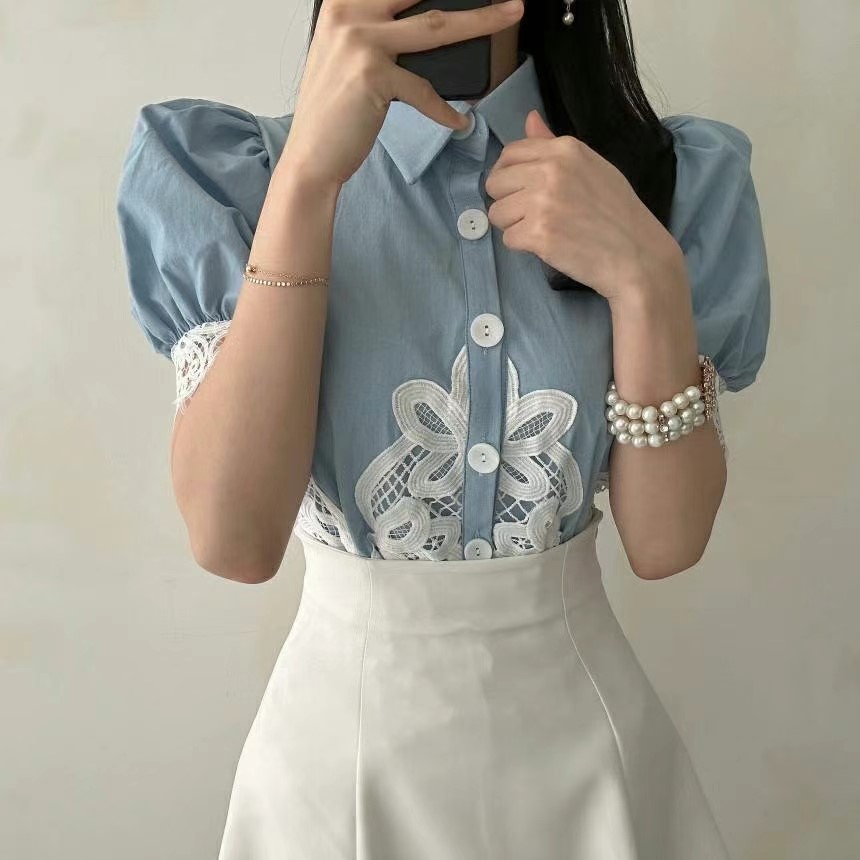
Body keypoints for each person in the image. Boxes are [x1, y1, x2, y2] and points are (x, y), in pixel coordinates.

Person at [116, 0, 770, 855]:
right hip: (340, 774)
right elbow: (234, 541)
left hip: (586, 769)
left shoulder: (664, 178)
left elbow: (666, 542)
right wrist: (307, 183)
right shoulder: (234, 174)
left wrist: (646, 278)